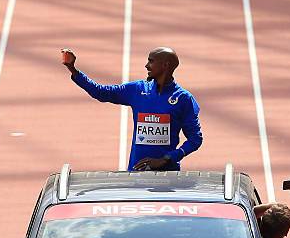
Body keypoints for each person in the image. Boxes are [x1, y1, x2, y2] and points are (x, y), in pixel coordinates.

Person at [61, 47, 203, 171]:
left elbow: (195, 139)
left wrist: (167, 158)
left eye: (151, 61)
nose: (146, 65)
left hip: (169, 174)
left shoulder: (183, 98)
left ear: (165, 65)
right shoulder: (137, 89)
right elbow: (101, 92)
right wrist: (73, 69)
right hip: (136, 172)